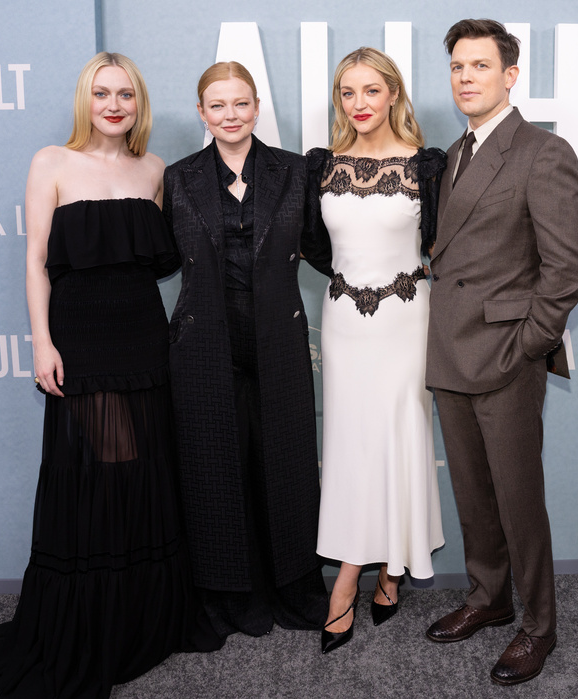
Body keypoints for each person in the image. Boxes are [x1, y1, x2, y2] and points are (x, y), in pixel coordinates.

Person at [0, 52, 220, 699]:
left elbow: (161, 262)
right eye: (103, 93)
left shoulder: (154, 170)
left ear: (139, 104)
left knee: (143, 473)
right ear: (87, 100)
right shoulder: (50, 162)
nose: (114, 105)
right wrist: (42, 341)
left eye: (127, 95)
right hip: (82, 341)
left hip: (145, 336)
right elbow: (35, 259)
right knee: (106, 471)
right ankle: (96, 623)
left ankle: (142, 616)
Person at [423, 19, 578, 686]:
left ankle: (538, 626)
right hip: (450, 353)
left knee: (519, 499)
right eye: (459, 67)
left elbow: (568, 265)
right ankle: (489, 597)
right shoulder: (454, 153)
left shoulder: (541, 151)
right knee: (473, 494)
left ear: (510, 74)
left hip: (504, 357)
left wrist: (527, 347)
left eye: (480, 66)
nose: (467, 77)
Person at [163, 61, 328, 638]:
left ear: (257, 108)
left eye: (240, 104)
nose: (230, 115)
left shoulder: (295, 172)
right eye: (217, 105)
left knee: (286, 466)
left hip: (279, 341)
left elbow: (327, 246)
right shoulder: (178, 177)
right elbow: (159, 257)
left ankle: (295, 589)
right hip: (204, 344)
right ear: (202, 112)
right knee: (213, 469)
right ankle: (229, 597)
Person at [301, 47, 446, 654]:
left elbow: (442, 243)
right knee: (351, 444)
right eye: (346, 93)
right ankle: (366, 571)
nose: (358, 104)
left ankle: (375, 573)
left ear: (393, 94)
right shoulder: (321, 167)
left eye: (370, 91)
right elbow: (313, 243)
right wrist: (353, 284)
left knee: (400, 437)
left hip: (406, 322)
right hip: (344, 323)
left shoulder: (427, 165)